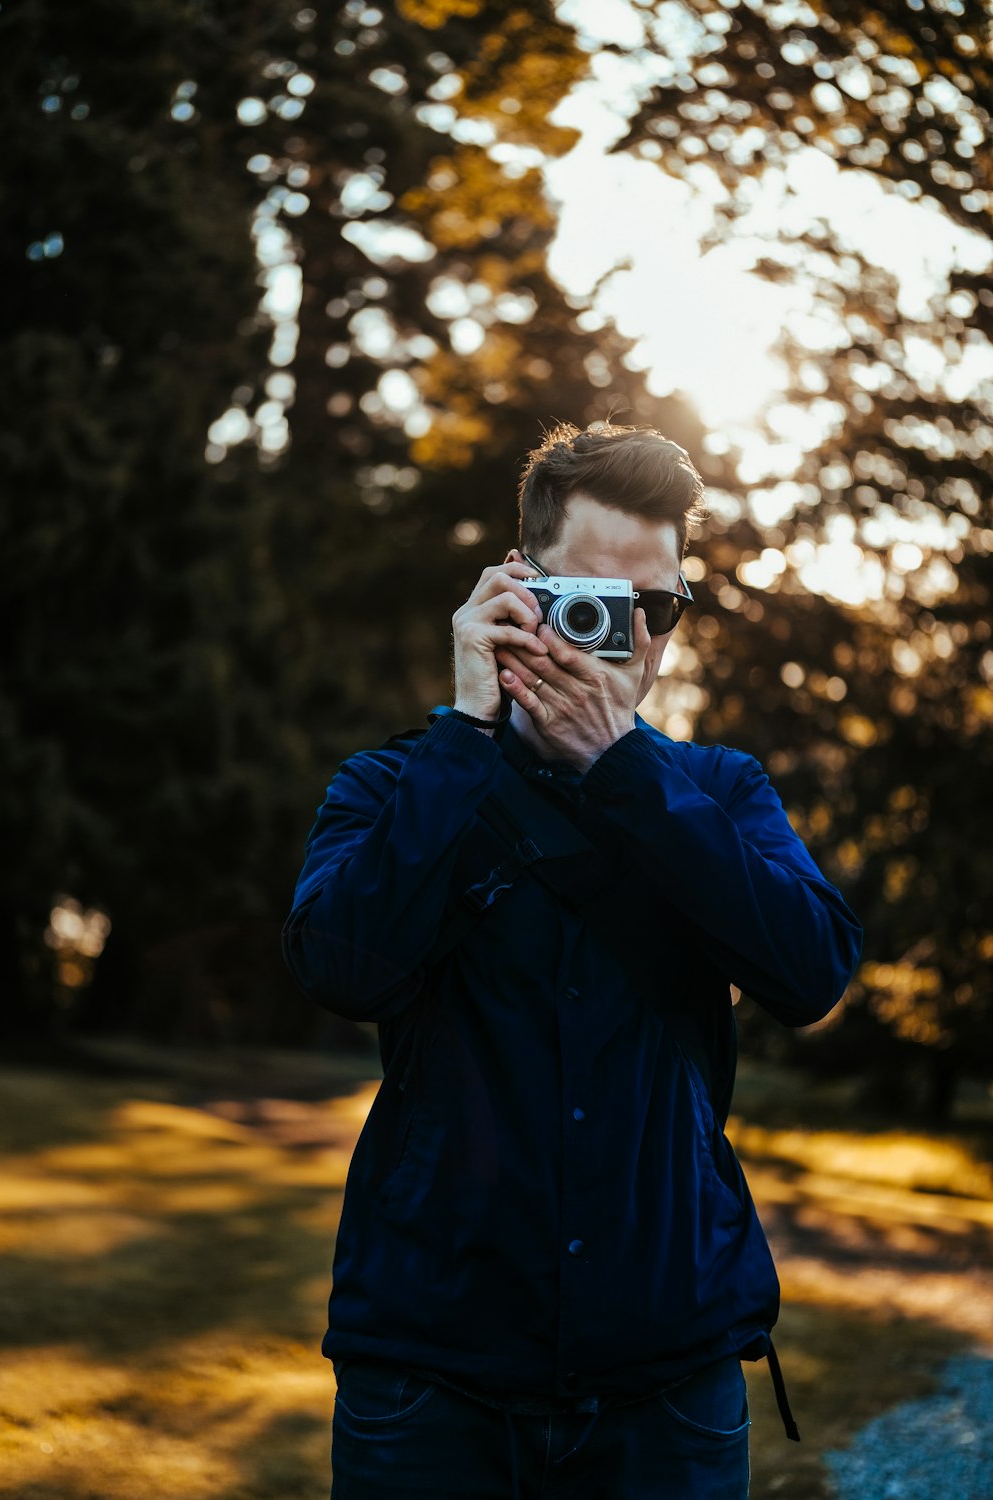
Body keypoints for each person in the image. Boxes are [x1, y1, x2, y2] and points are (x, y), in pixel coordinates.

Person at [282, 422, 863, 1500]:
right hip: (430, 1375)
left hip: (666, 1381)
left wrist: (626, 771)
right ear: (515, 590)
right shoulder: (393, 783)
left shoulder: (718, 791)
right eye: (592, 603)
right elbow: (341, 968)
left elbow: (812, 970)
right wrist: (467, 728)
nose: (630, 637)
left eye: (661, 608)